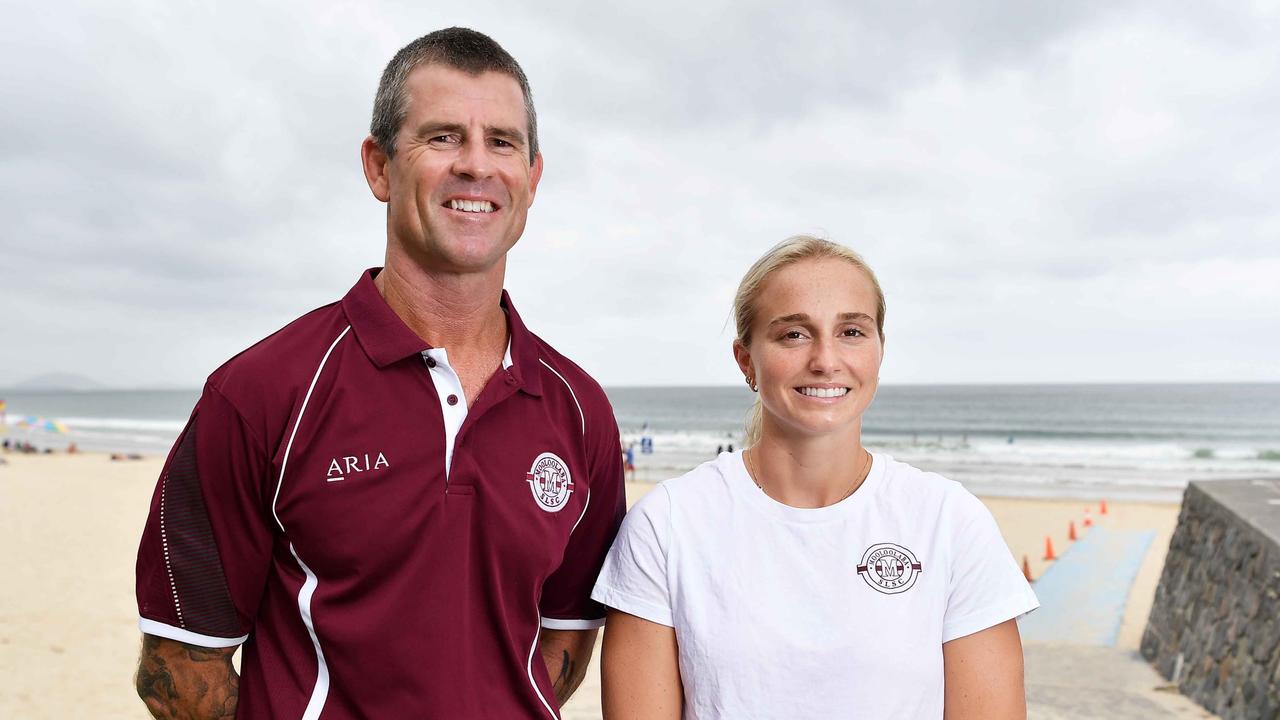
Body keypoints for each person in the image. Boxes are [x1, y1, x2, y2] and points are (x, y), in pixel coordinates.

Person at [134, 28, 625, 719]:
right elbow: (182, 660)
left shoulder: (580, 412)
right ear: (379, 167)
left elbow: (560, 645)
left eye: (503, 142)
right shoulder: (261, 393)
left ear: (533, 178)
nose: (476, 166)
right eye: (443, 137)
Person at [592, 236, 1038, 719]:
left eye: (851, 331)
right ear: (746, 361)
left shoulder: (950, 521)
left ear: (879, 350)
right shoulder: (668, 525)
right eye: (794, 335)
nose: (826, 360)